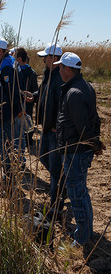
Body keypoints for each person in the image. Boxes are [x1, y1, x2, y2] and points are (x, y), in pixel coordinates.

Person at [54, 52, 103, 249]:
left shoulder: (74, 92)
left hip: (75, 151)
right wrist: (95, 144)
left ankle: (81, 240)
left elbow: (83, 128)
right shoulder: (85, 86)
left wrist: (95, 144)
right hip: (79, 150)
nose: (58, 70)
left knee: (76, 196)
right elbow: (94, 120)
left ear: (67, 70)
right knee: (82, 193)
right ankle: (86, 233)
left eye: (60, 67)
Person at [29, 43, 65, 222]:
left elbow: (64, 104)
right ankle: (63, 182)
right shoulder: (49, 74)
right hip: (46, 127)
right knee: (43, 157)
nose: (43, 60)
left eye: (46, 57)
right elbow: (43, 92)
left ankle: (56, 206)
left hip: (54, 130)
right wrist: (34, 96)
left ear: (55, 58)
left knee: (54, 171)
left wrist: (58, 125)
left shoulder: (61, 77)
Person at [0, 37, 23, 186]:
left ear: (1, 51)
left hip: (5, 114)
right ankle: (8, 177)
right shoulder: (2, 64)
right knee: (5, 146)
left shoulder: (7, 66)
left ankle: (9, 179)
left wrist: (18, 110)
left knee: (5, 147)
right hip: (1, 112)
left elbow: (12, 91)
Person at [14, 47, 39, 156]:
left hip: (25, 102)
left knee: (26, 121)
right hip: (26, 101)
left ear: (19, 59)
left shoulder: (26, 72)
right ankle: (27, 141)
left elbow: (35, 89)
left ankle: (27, 141)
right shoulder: (30, 71)